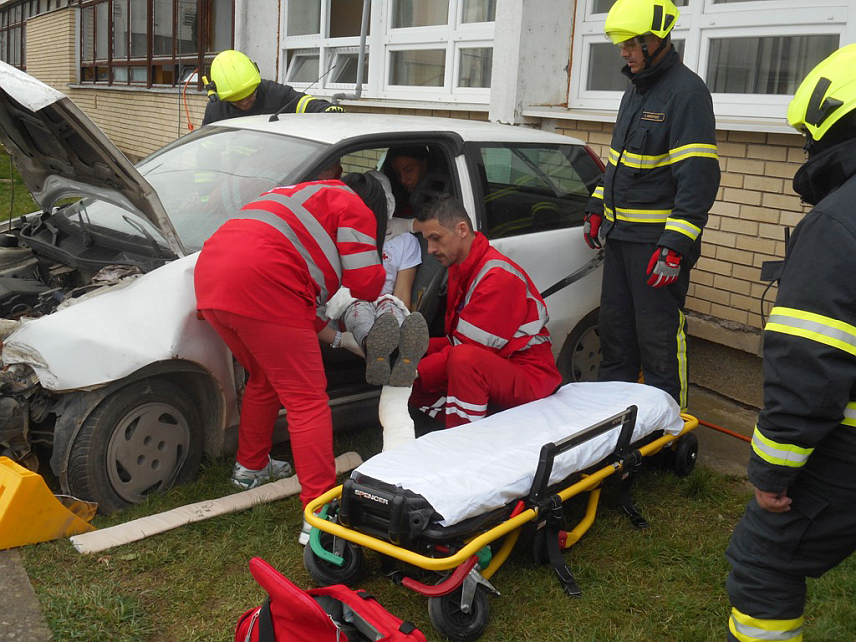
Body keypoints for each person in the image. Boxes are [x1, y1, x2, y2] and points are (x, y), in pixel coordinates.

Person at [725, 43, 856, 642]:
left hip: (844, 446)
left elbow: (810, 362)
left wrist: (772, 472)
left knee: (764, 559)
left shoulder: (837, 222)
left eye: (810, 133)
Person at [194, 173, 387, 544]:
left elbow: (298, 302)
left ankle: (250, 468)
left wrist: (341, 340)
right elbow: (366, 284)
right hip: (263, 283)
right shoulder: (354, 206)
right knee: (308, 400)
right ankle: (319, 515)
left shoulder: (295, 194)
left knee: (264, 378)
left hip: (212, 279)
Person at [584, 0, 720, 410]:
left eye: (629, 45)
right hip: (621, 238)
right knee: (616, 337)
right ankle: (612, 426)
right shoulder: (635, 91)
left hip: (656, 247)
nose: (622, 54)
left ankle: (667, 431)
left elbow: (697, 179)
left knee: (659, 342)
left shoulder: (687, 93)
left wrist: (675, 247)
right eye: (620, 45)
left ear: (653, 40)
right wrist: (596, 206)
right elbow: (619, 162)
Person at [409, 194, 562, 427]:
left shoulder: (496, 277)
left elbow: (466, 351)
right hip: (501, 366)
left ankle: (464, 440)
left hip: (531, 378)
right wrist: (410, 350)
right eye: (427, 240)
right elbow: (456, 340)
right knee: (425, 368)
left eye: (436, 239)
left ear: (462, 229)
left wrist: (414, 372)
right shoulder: (461, 267)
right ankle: (456, 425)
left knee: (462, 360)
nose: (429, 249)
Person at [322, 171, 430, 451]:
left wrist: (399, 312)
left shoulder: (402, 239)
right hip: (350, 300)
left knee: (389, 305)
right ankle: (375, 348)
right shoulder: (339, 236)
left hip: (383, 304)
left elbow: (401, 293)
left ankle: (392, 346)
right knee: (356, 306)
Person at [201, 50, 344, 126]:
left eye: (250, 96)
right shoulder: (216, 109)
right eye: (237, 101)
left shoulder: (273, 93)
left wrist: (326, 110)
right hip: (236, 173)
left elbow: (301, 103)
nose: (245, 103)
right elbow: (206, 150)